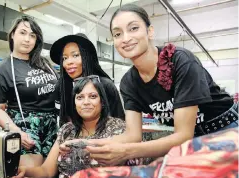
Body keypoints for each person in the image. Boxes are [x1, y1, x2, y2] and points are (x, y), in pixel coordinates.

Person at [77, 4, 238, 166]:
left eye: (133, 28)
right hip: (192, 138)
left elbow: (183, 135)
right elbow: (132, 136)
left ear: (150, 31)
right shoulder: (128, 83)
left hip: (227, 129)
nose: (125, 38)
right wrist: (85, 145)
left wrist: (126, 152)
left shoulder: (181, 61)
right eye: (117, 34)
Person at [12, 76, 129, 178]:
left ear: (102, 102)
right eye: (80, 97)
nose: (86, 102)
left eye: (93, 96)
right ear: (74, 103)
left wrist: (78, 144)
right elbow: (46, 171)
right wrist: (25, 171)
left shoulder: (118, 128)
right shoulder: (67, 130)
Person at [0, 16, 58, 167]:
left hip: (52, 122)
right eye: (23, 33)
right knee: (32, 170)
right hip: (25, 124)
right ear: (13, 34)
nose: (27, 39)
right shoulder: (2, 70)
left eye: (32, 35)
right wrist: (16, 131)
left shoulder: (45, 64)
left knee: (52, 171)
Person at [50, 33, 124, 126]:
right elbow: (60, 118)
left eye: (76, 55)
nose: (68, 62)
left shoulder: (105, 85)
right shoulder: (61, 86)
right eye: (65, 58)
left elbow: (120, 120)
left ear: (87, 57)